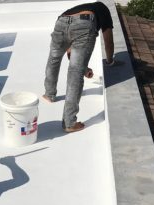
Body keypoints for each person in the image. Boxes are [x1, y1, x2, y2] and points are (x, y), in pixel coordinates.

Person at [43, 1, 120, 133]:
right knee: (75, 73)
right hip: (84, 23)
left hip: (61, 21)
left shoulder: (82, 7)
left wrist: (85, 68)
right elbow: (108, 41)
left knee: (54, 59)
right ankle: (69, 122)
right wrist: (109, 61)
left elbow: (69, 50)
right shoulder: (103, 9)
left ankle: (49, 94)